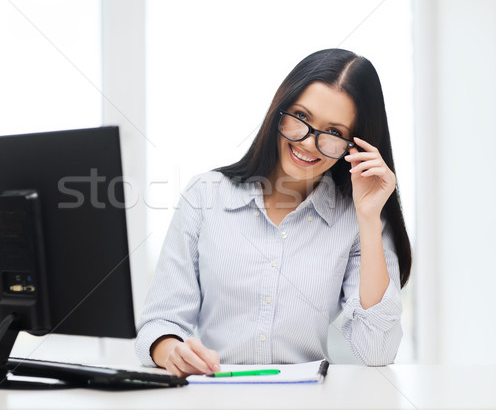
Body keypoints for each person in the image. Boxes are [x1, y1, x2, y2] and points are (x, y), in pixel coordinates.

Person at [135, 48, 412, 377]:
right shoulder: (204, 196)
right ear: (279, 112)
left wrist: (368, 217)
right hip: (211, 397)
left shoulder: (358, 221)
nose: (309, 143)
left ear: (355, 146)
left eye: (334, 133)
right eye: (302, 117)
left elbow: (375, 351)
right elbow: (160, 322)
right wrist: (172, 351)